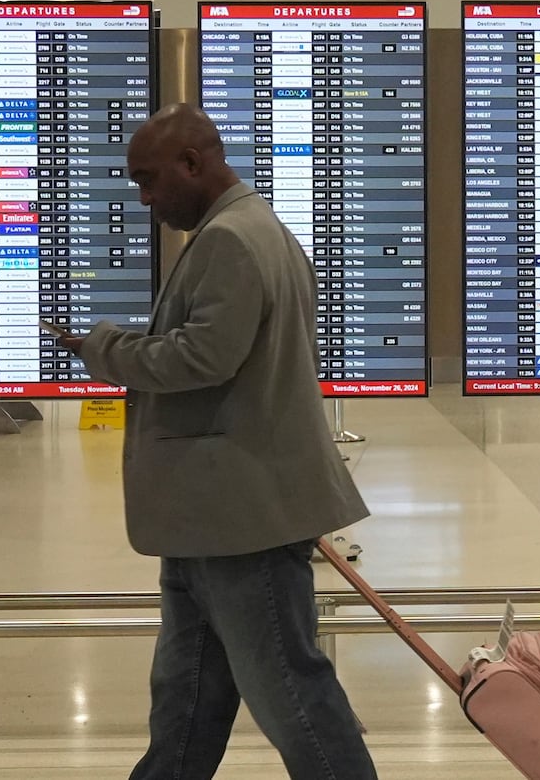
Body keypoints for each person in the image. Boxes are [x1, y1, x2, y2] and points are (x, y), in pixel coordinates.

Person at [55, 103, 378, 780]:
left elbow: (203, 359)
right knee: (187, 697)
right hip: (211, 517)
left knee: (290, 693)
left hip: (241, 520)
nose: (146, 199)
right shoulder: (254, 229)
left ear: (193, 163)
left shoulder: (233, 237)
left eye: (149, 180)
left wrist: (106, 350)